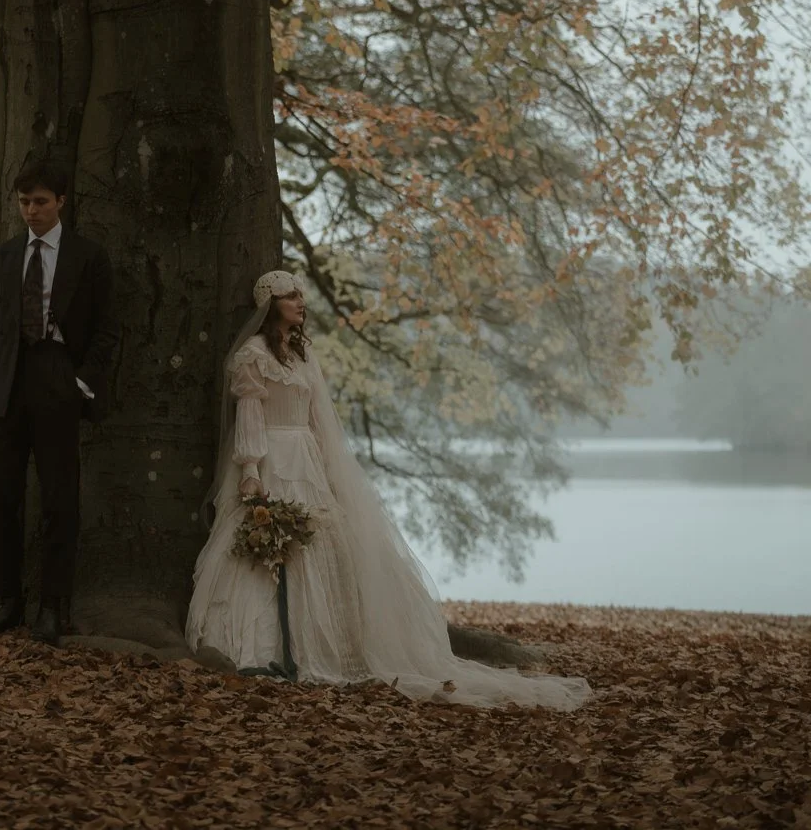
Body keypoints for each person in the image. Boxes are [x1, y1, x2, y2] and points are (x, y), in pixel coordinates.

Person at [186, 270, 592, 708]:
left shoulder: (302, 354)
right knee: (262, 553)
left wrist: (328, 468)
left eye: (302, 294)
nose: (302, 302)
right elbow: (249, 414)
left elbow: (317, 420)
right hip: (271, 457)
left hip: (305, 459)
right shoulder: (254, 354)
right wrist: (250, 468)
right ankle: (262, 646)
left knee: (317, 546)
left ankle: (319, 646)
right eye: (291, 296)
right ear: (270, 305)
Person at [0, 161, 119, 646]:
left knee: (59, 499)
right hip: (7, 381)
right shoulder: (6, 255)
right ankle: (3, 600)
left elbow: (107, 330)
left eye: (40, 202)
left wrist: (80, 384)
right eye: (23, 202)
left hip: (58, 377)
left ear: (61, 201)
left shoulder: (88, 257)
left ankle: (53, 606)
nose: (30, 211)